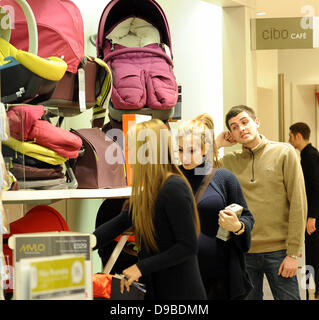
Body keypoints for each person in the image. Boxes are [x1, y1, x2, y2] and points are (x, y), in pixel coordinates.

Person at [93, 118, 207, 300]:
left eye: (131, 148)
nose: (127, 155)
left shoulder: (174, 187)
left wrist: (140, 267)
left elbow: (188, 246)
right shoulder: (150, 191)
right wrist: (83, 243)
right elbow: (120, 222)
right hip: (160, 288)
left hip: (181, 292)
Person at [216, 105, 307, 300]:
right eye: (234, 127)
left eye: (244, 122)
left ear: (257, 122)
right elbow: (198, 171)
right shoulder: (229, 162)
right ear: (231, 133)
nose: (241, 128)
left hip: (280, 252)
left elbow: (298, 204)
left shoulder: (284, 152)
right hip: (244, 250)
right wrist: (217, 144)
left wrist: (293, 253)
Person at [177, 114, 254, 300]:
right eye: (180, 150)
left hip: (223, 276)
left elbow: (247, 217)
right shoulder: (172, 178)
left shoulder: (224, 178)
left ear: (205, 150)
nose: (185, 156)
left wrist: (237, 226)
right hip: (183, 274)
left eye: (191, 150)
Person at [289, 122, 319, 300]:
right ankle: (309, 290)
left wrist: (312, 216)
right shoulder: (306, 155)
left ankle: (311, 291)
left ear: (298, 136)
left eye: (290, 136)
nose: (288, 139)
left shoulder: (310, 156)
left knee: (313, 253)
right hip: (311, 215)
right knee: (311, 253)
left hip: (313, 217)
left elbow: (316, 187)